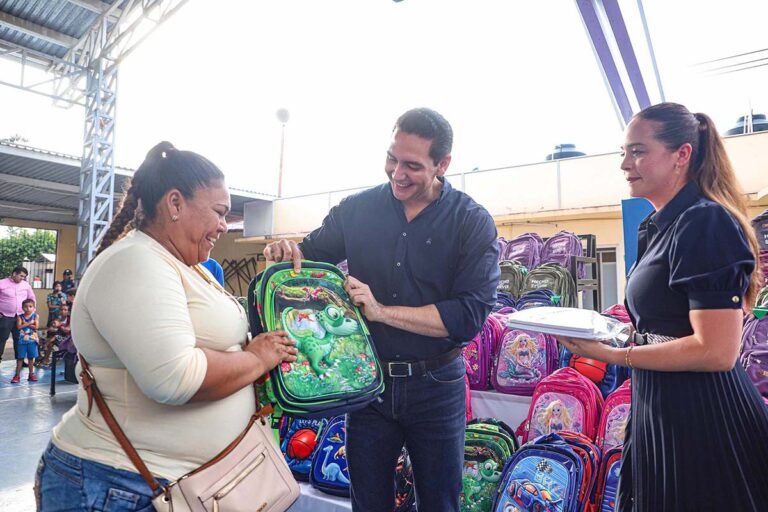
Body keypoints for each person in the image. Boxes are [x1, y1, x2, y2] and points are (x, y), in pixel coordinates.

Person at [35, 142, 298, 510]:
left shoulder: (186, 266)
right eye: (219, 212)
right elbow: (175, 377)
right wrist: (258, 358)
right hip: (119, 485)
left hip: (178, 482)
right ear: (175, 203)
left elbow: (223, 343)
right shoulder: (135, 263)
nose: (224, 226)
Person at [264, 108, 500, 511]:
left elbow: (467, 317)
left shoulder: (471, 222)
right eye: (392, 159)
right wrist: (287, 253)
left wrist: (381, 311)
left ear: (443, 164)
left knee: (440, 503)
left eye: (413, 165)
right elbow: (310, 255)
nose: (397, 173)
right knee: (368, 502)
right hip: (366, 384)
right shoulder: (357, 210)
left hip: (437, 385)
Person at [558, 102, 768, 511]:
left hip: (705, 415)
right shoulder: (656, 225)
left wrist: (618, 353)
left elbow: (717, 351)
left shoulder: (704, 222)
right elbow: (662, 324)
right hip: (661, 404)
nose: (624, 164)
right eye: (624, 151)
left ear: (681, 155)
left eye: (637, 151)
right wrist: (604, 331)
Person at [0, 266, 36, 365]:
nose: (22, 278)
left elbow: (32, 298)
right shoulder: (2, 283)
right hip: (5, 317)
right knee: (2, 339)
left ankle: (20, 360)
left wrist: (32, 312)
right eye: (21, 276)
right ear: (14, 273)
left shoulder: (26, 285)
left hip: (21, 317)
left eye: (24, 277)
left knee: (19, 339)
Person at [12, 298, 39, 383]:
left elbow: (36, 327)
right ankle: (17, 375)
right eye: (26, 307)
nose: (28, 308)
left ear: (34, 307)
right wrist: (30, 323)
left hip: (32, 341)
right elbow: (19, 327)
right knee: (20, 358)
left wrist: (25, 324)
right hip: (22, 341)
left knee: (31, 358)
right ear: (22, 308)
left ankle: (31, 374)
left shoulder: (36, 316)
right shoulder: (20, 317)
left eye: (30, 306)